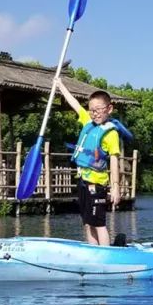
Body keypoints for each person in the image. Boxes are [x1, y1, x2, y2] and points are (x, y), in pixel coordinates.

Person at [54, 77, 133, 246]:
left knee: (99, 223)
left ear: (109, 109)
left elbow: (113, 160)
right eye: (92, 110)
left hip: (97, 185)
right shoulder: (87, 122)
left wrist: (116, 188)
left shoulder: (110, 133)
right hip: (83, 182)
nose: (94, 113)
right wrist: (60, 85)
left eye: (98, 110)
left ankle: (105, 254)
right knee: (87, 222)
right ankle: (93, 251)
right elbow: (74, 104)